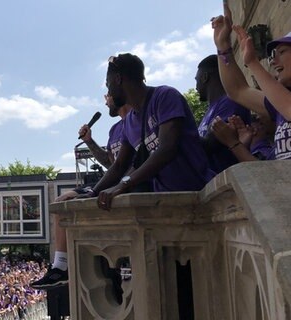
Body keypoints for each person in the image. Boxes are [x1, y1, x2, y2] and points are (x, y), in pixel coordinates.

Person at [29, 96, 132, 290]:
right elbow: (111, 163)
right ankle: (60, 267)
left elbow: (124, 166)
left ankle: (62, 266)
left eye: (108, 96)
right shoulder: (115, 129)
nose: (105, 102)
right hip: (114, 181)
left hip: (127, 184)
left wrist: (97, 191)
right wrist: (90, 141)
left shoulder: (135, 122)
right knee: (61, 202)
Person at [91, 53, 215, 210]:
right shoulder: (129, 121)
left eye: (108, 84)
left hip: (197, 193)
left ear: (118, 79)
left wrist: (123, 184)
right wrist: (93, 192)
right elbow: (119, 165)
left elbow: (167, 149)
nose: (109, 91)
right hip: (164, 200)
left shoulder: (165, 97)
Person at [211, 2, 291, 160]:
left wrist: (252, 63)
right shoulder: (277, 105)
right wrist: (223, 47)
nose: (273, 61)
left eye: (282, 52)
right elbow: (238, 91)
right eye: (272, 55)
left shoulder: (284, 104)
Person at [195, 54, 251, 172]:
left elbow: (211, 145)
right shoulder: (210, 111)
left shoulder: (230, 102)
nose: (196, 87)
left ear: (205, 77)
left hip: (231, 182)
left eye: (197, 80)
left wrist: (179, 129)